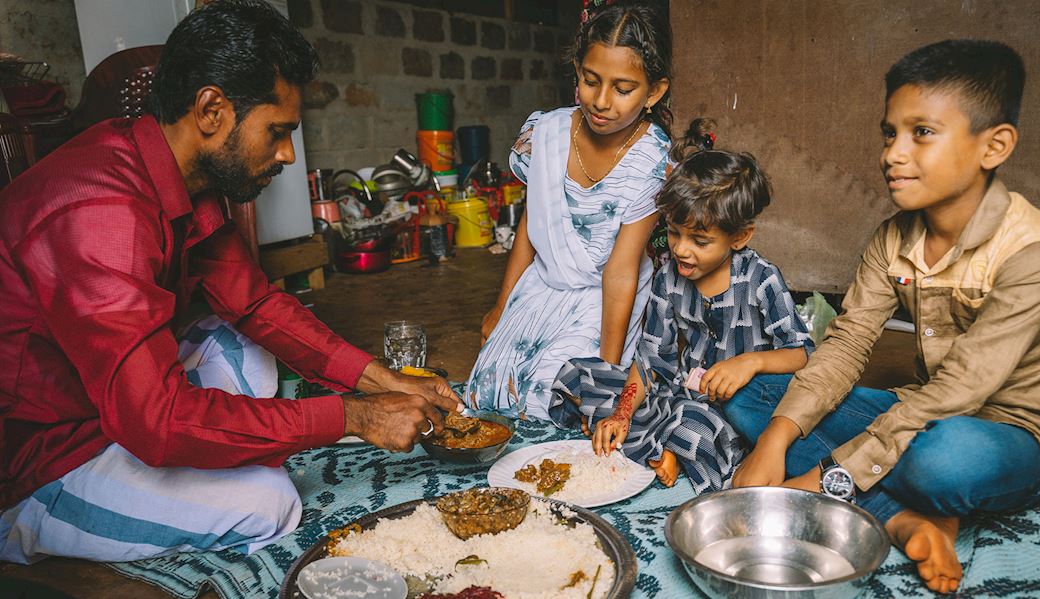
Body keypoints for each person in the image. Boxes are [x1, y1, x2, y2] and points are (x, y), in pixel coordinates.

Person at [0, 0, 459, 564]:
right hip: (51, 450)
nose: (289, 154)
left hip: (117, 397)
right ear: (212, 109)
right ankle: (33, 521)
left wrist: (376, 379)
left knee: (242, 341)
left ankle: (215, 445)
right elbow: (157, 420)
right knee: (268, 504)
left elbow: (257, 304)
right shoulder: (99, 209)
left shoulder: (182, 171)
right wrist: (353, 416)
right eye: (278, 131)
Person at [726, 40, 1040, 594]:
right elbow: (848, 342)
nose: (891, 154)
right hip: (919, 409)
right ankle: (909, 517)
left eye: (922, 133)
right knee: (752, 401)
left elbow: (961, 388)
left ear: (994, 146)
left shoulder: (1038, 254)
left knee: (941, 462)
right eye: (890, 132)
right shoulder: (894, 236)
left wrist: (822, 481)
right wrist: (775, 441)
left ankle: (899, 497)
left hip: (1011, 431)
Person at [550, 119, 814, 493]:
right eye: (674, 232)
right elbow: (650, 362)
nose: (680, 249)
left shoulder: (761, 279)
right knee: (578, 374)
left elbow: (804, 352)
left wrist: (750, 362)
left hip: (736, 408)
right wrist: (623, 415)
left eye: (700, 240)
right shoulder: (668, 277)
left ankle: (668, 445)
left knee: (699, 425)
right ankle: (650, 439)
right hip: (679, 394)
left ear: (740, 236)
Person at [465, 3, 672, 420]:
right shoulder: (546, 133)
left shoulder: (651, 158)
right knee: (488, 396)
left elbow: (621, 269)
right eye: (590, 80)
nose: (601, 101)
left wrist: (606, 373)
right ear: (576, 70)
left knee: (553, 396)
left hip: (605, 300)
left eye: (623, 88)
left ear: (654, 92)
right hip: (542, 287)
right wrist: (502, 306)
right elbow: (531, 224)